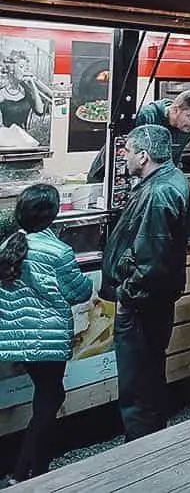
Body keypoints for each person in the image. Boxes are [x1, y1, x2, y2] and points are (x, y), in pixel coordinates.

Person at [100, 124, 190, 440]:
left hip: (142, 302)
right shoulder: (169, 180)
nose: (123, 156)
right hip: (156, 298)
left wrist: (126, 294)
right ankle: (152, 442)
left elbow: (151, 258)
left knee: (137, 381)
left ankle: (139, 452)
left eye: (127, 151)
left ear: (143, 155)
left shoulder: (156, 193)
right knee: (150, 372)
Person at [0, 185, 94, 482]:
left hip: (18, 338)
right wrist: (89, 286)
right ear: (53, 215)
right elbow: (78, 291)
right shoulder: (59, 251)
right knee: (49, 399)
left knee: (48, 397)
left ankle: (36, 469)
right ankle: (25, 472)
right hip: (48, 339)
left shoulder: (7, 246)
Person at [87, 89, 190, 183]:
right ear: (175, 110)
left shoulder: (186, 131)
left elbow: (171, 165)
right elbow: (119, 153)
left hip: (144, 184)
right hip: (105, 178)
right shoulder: (145, 116)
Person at [0, 48, 52, 132]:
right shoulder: (2, 93)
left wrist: (33, 85)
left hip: (24, 137)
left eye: (26, 67)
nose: (25, 70)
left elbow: (40, 111)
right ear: (11, 70)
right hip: (6, 137)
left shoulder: (26, 90)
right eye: (21, 67)